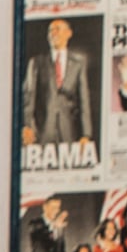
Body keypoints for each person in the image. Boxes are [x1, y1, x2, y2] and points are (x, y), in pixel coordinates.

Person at [23, 14, 98, 151]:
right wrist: (26, 126)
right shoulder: (37, 63)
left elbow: (84, 100)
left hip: (69, 131)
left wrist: (86, 134)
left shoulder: (78, 63)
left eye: (57, 29)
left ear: (68, 33)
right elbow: (29, 98)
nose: (53, 34)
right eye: (50, 31)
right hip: (42, 131)